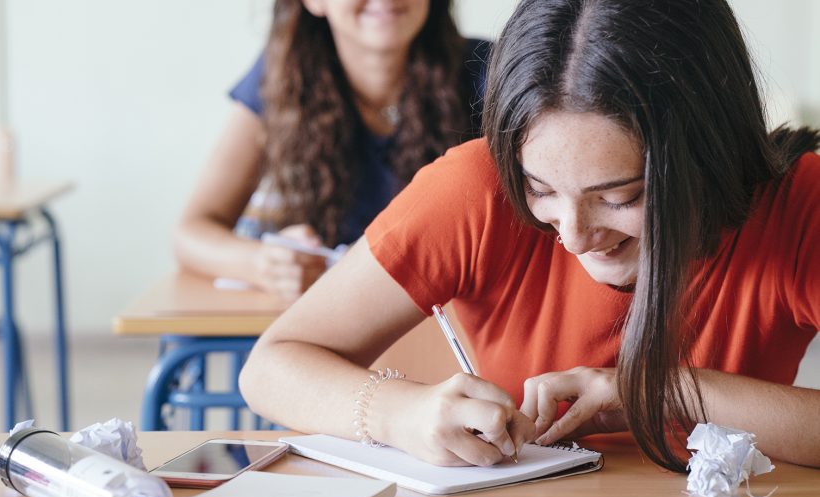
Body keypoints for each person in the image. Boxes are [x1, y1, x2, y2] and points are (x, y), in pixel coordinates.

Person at [239, 0, 820, 471]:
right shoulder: (476, 188)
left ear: (709, 154)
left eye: (621, 197)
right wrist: (401, 414)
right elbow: (272, 367)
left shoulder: (801, 205)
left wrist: (656, 390)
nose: (574, 236)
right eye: (540, 189)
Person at [174, 0, 490, 300]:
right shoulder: (282, 77)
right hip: (339, 327)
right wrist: (265, 264)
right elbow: (191, 232)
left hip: (458, 327)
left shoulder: (492, 70)